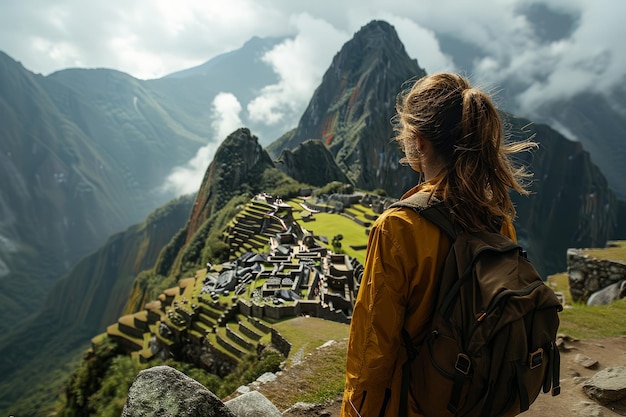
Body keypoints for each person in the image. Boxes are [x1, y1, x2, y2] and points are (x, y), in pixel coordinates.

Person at [340, 72, 536, 417]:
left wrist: (354, 412)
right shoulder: (498, 220)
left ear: (419, 142)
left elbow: (372, 350)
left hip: (416, 404)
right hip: (479, 400)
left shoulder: (398, 228)